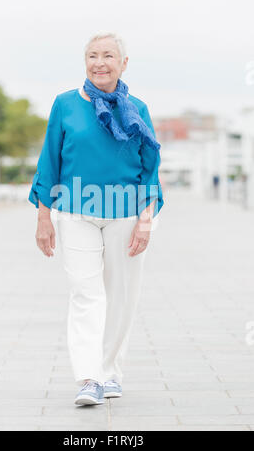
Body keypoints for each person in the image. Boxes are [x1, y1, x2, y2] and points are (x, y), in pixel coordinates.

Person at [28, 31, 164, 406]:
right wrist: (43, 216)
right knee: (86, 293)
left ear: (123, 63)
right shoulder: (65, 104)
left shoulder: (137, 107)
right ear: (85, 62)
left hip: (127, 213)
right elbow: (49, 162)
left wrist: (146, 219)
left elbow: (150, 169)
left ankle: (110, 372)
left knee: (121, 296)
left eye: (108, 55)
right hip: (74, 213)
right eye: (92, 55)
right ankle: (89, 378)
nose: (99, 62)